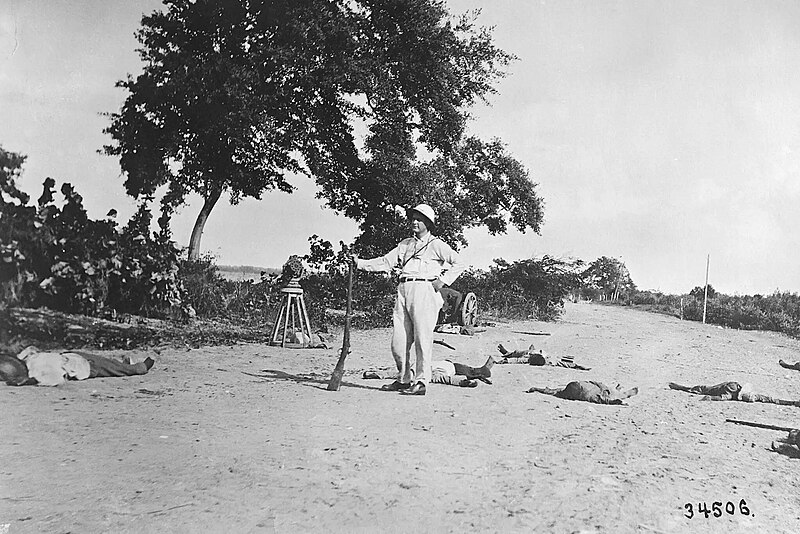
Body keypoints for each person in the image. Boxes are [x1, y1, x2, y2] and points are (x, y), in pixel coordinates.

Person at [352, 203, 464, 396]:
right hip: (403, 288)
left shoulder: (436, 244)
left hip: (425, 290)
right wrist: (360, 263)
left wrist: (442, 281)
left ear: (428, 223)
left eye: (419, 219)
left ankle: (421, 382)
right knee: (399, 341)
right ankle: (403, 379)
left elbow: (459, 262)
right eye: (413, 218)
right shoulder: (405, 244)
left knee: (422, 339)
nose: (415, 222)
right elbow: (386, 262)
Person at [1, 346, 155, 386]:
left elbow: (27, 352)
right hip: (85, 365)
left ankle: (123, 364)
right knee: (114, 368)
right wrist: (31, 381)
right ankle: (140, 368)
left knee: (111, 364)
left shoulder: (29, 362)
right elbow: (57, 379)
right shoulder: (37, 372)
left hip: (72, 357)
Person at [363, 356, 495, 388]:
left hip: (436, 367)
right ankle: (465, 381)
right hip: (446, 368)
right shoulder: (449, 365)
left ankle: (466, 380)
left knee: (405, 373)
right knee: (440, 378)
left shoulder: (448, 364)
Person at [668, 380, 800, 405]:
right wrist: (710, 399)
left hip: (717, 388)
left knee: (698, 389)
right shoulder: (730, 392)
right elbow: (717, 396)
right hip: (713, 389)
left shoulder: (736, 387)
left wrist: (790, 402)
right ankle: (677, 386)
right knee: (697, 389)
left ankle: (677, 386)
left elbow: (769, 399)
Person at [526, 381, 638, 405]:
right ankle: (622, 392)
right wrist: (619, 402)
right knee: (556, 391)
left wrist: (537, 389)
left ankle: (622, 391)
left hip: (576, 386)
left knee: (556, 391)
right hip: (578, 389)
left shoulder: (597, 393)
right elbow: (605, 400)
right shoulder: (597, 394)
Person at [495, 343, 591, 371]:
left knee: (517, 353)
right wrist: (577, 366)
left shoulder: (529, 358)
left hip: (529, 353)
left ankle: (507, 353)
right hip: (534, 351)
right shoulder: (548, 359)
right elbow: (563, 363)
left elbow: (517, 360)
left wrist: (506, 361)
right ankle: (507, 353)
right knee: (521, 352)